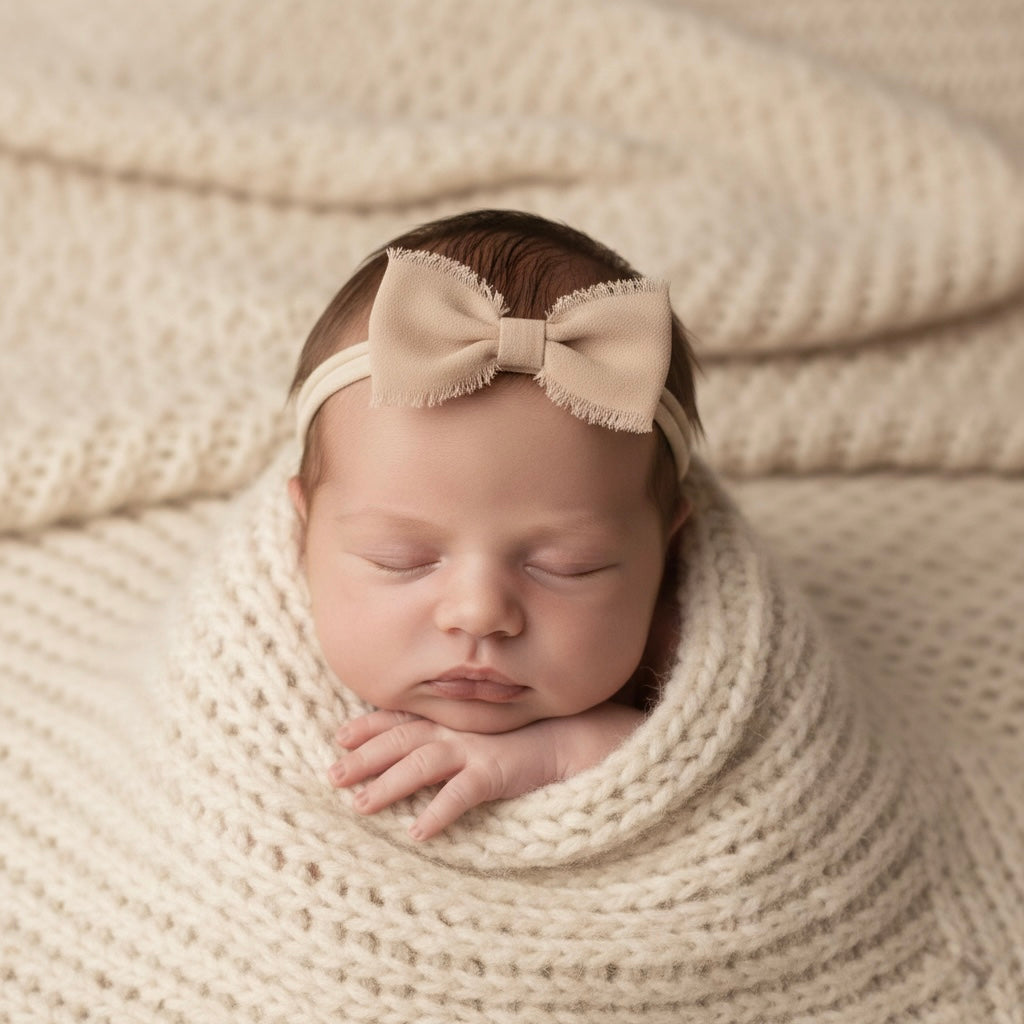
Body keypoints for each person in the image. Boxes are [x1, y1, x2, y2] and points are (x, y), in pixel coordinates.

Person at [288, 209, 701, 840]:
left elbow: (748, 775)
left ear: (666, 552)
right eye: (400, 558)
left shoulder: (694, 662)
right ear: (301, 535)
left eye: (569, 566)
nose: (479, 613)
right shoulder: (257, 688)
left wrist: (560, 751)